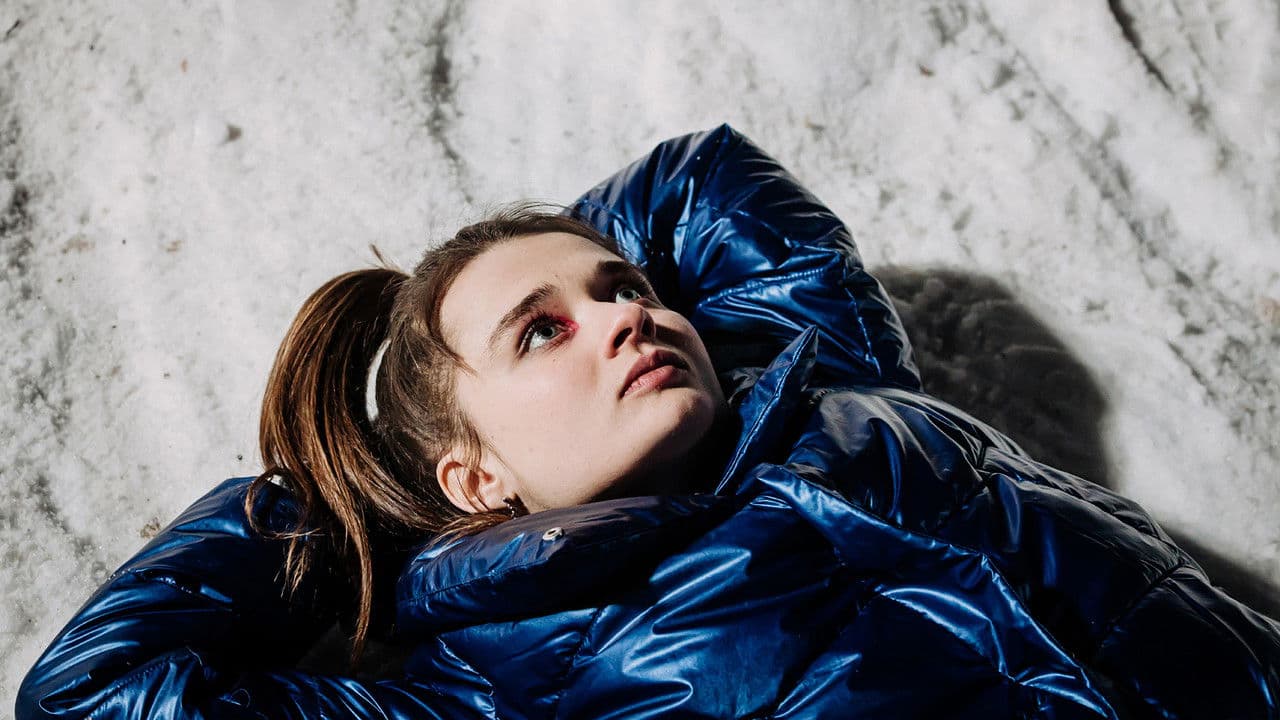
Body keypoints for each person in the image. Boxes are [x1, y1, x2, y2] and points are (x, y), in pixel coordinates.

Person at [16, 125, 1280, 719]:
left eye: (621, 287)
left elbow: (699, 177)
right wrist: (340, 492)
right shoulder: (495, 680)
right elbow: (97, 697)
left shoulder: (814, 374)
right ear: (472, 477)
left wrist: (537, 275)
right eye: (540, 332)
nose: (624, 315)